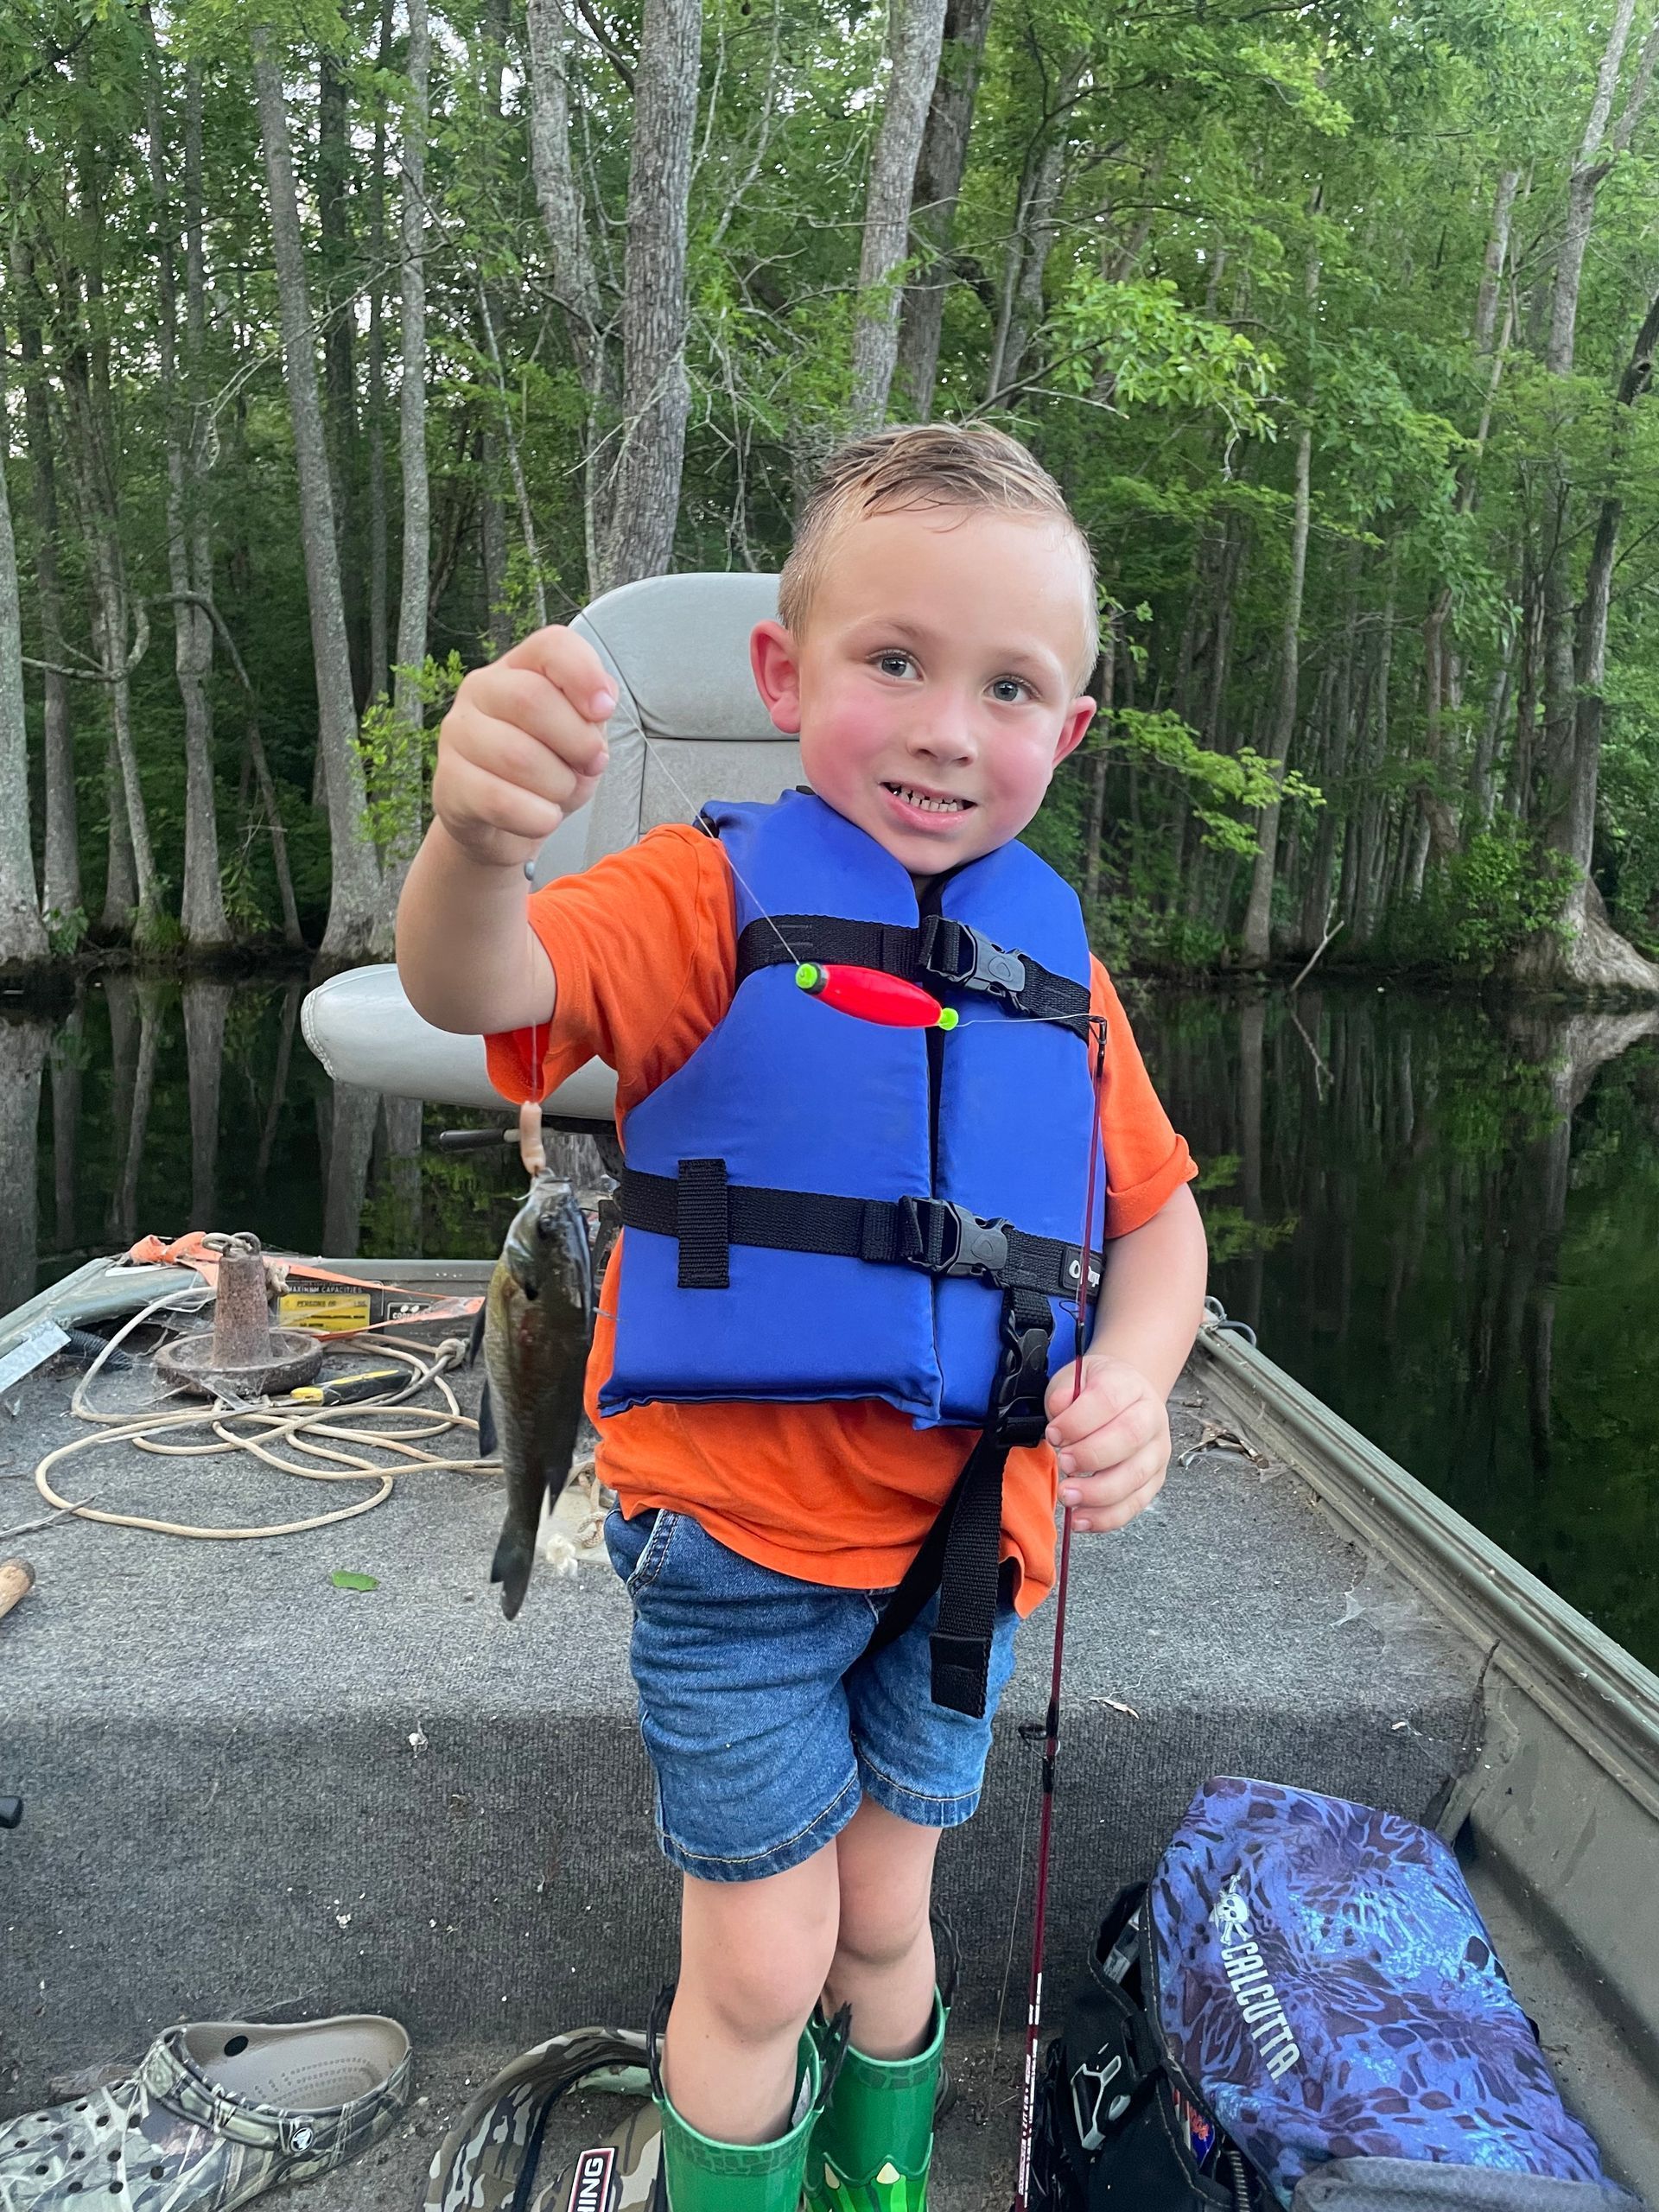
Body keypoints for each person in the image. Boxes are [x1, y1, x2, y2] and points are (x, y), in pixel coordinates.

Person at [397, 423, 1209, 2211]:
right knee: (763, 1958)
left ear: (1065, 734)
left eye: (1008, 686)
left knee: (891, 1916)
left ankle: (877, 2184)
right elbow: (477, 979)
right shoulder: (703, 898)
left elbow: (1158, 1228)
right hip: (737, 1557)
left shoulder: (1059, 980)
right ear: (788, 674)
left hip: (961, 1566)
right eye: (894, 659)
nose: (942, 724)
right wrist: (470, 837)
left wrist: (1136, 1377)